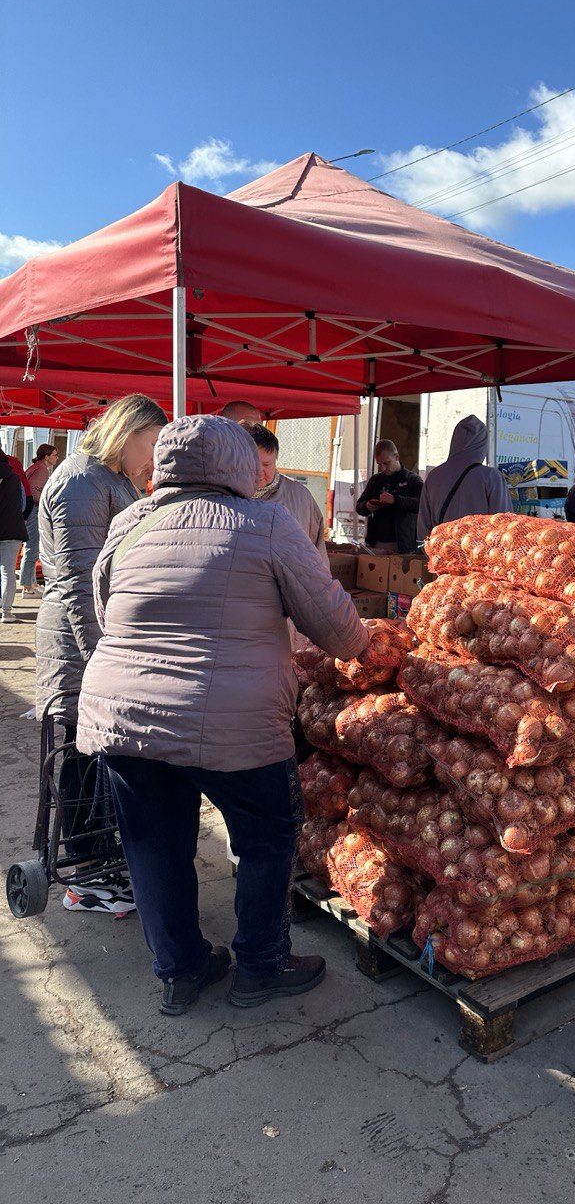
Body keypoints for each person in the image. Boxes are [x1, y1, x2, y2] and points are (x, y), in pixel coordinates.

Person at [76, 415, 368, 1016]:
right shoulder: (266, 522)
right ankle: (261, 966)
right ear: (240, 464)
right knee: (267, 836)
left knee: (154, 844)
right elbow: (338, 630)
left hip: (125, 715)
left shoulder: (132, 521)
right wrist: (367, 646)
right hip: (238, 721)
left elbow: (105, 609)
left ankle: (181, 971)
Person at [36, 394, 167, 911]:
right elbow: (76, 581)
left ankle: (103, 862)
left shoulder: (110, 478)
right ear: (127, 431)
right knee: (78, 754)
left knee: (98, 756)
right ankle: (87, 876)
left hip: (104, 641)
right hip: (77, 643)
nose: (154, 457)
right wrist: (102, 658)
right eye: (151, 443)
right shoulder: (79, 480)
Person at [417, 415, 510, 540]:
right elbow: (504, 526)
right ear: (482, 445)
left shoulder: (433, 477)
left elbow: (423, 530)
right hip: (479, 557)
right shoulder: (491, 477)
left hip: (441, 556)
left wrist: (436, 555)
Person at [244, 423, 326, 557]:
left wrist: (323, 578)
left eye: (267, 464)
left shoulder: (300, 496)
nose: (259, 472)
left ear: (276, 460)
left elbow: (317, 551)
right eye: (252, 463)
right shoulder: (223, 495)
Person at [356, 440, 423, 554]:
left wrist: (395, 500)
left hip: (402, 545)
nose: (382, 468)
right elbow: (358, 506)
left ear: (396, 457)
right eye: (379, 464)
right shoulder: (375, 480)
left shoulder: (412, 480)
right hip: (375, 543)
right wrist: (367, 506)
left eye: (386, 463)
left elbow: (421, 505)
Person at [19, 443, 59, 596]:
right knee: (32, 547)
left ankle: (32, 583)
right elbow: (35, 493)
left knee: (32, 547)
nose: (57, 457)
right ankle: (27, 587)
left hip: (29, 511)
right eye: (54, 455)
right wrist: (47, 502)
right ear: (46, 456)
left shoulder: (35, 467)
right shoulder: (42, 470)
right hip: (34, 511)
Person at [0, 445, 27, 622]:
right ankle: (6, 612)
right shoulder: (16, 478)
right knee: (7, 571)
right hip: (12, 528)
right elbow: (23, 505)